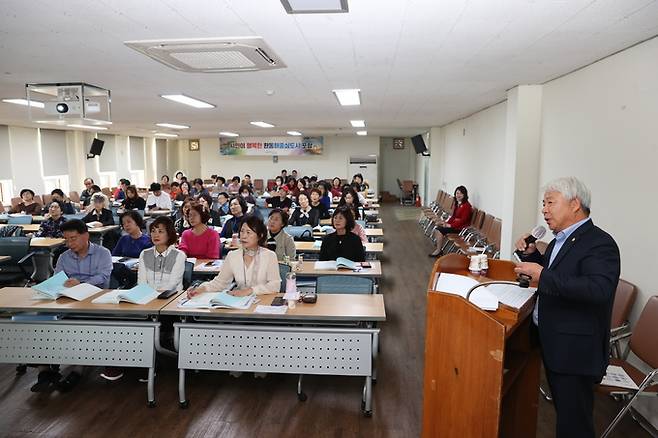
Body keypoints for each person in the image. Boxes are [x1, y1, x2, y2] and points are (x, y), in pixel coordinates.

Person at [514, 177, 620, 438]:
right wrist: (531, 256)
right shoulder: (559, 240)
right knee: (566, 415)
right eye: (543, 203)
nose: (544, 210)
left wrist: (544, 275)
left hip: (575, 351)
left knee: (575, 424)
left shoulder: (599, 243)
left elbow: (597, 289)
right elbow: (559, 274)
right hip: (553, 341)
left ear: (575, 204)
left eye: (550, 202)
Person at [36, 219, 112, 392]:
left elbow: (103, 276)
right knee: (40, 319)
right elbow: (57, 278)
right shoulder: (64, 256)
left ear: (85, 235)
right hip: (67, 300)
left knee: (82, 326)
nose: (69, 243)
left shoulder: (103, 253)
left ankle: (77, 370)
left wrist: (81, 284)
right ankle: (44, 371)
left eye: (73, 238)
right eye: (66, 239)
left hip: (95, 300)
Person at [187, 215, 280, 297]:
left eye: (248, 232)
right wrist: (201, 289)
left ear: (260, 235)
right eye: (242, 231)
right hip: (239, 303)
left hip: (263, 303)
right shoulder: (233, 256)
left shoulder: (269, 256)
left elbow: (275, 286)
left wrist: (249, 291)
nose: (243, 236)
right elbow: (220, 283)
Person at [110, 211, 152, 289]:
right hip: (123, 270)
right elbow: (114, 256)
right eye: (123, 223)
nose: (126, 225)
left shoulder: (147, 240)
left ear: (137, 222)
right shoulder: (123, 239)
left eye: (129, 222)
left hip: (138, 271)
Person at [429, 186, 473, 257]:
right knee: (438, 228)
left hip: (460, 228)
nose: (458, 195)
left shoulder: (467, 206)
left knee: (439, 230)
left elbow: (463, 221)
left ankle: (438, 250)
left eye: (461, 194)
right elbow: (453, 217)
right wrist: (446, 223)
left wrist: (450, 225)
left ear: (464, 195)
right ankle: (439, 249)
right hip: (455, 225)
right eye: (457, 193)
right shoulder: (458, 204)